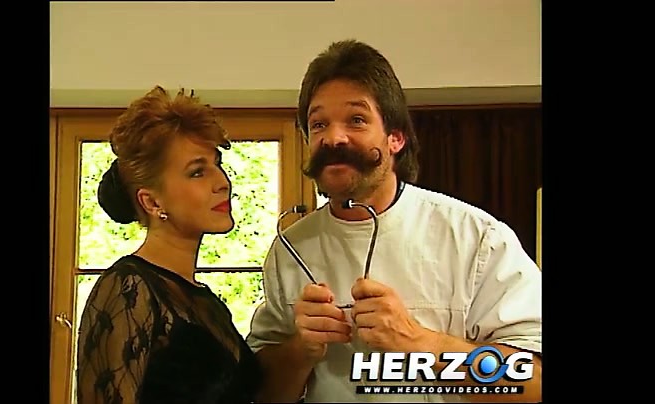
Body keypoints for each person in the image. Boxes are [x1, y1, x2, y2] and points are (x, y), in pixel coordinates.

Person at [246, 40, 542, 403]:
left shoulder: (477, 238)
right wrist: (299, 350)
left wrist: (421, 343)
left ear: (396, 138)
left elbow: (532, 382)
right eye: (318, 124)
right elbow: (264, 393)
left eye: (356, 120)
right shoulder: (290, 249)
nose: (333, 137)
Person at [76, 86, 262, 404]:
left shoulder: (208, 305)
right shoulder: (128, 287)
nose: (222, 182)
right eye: (197, 172)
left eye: (217, 165)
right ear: (152, 202)